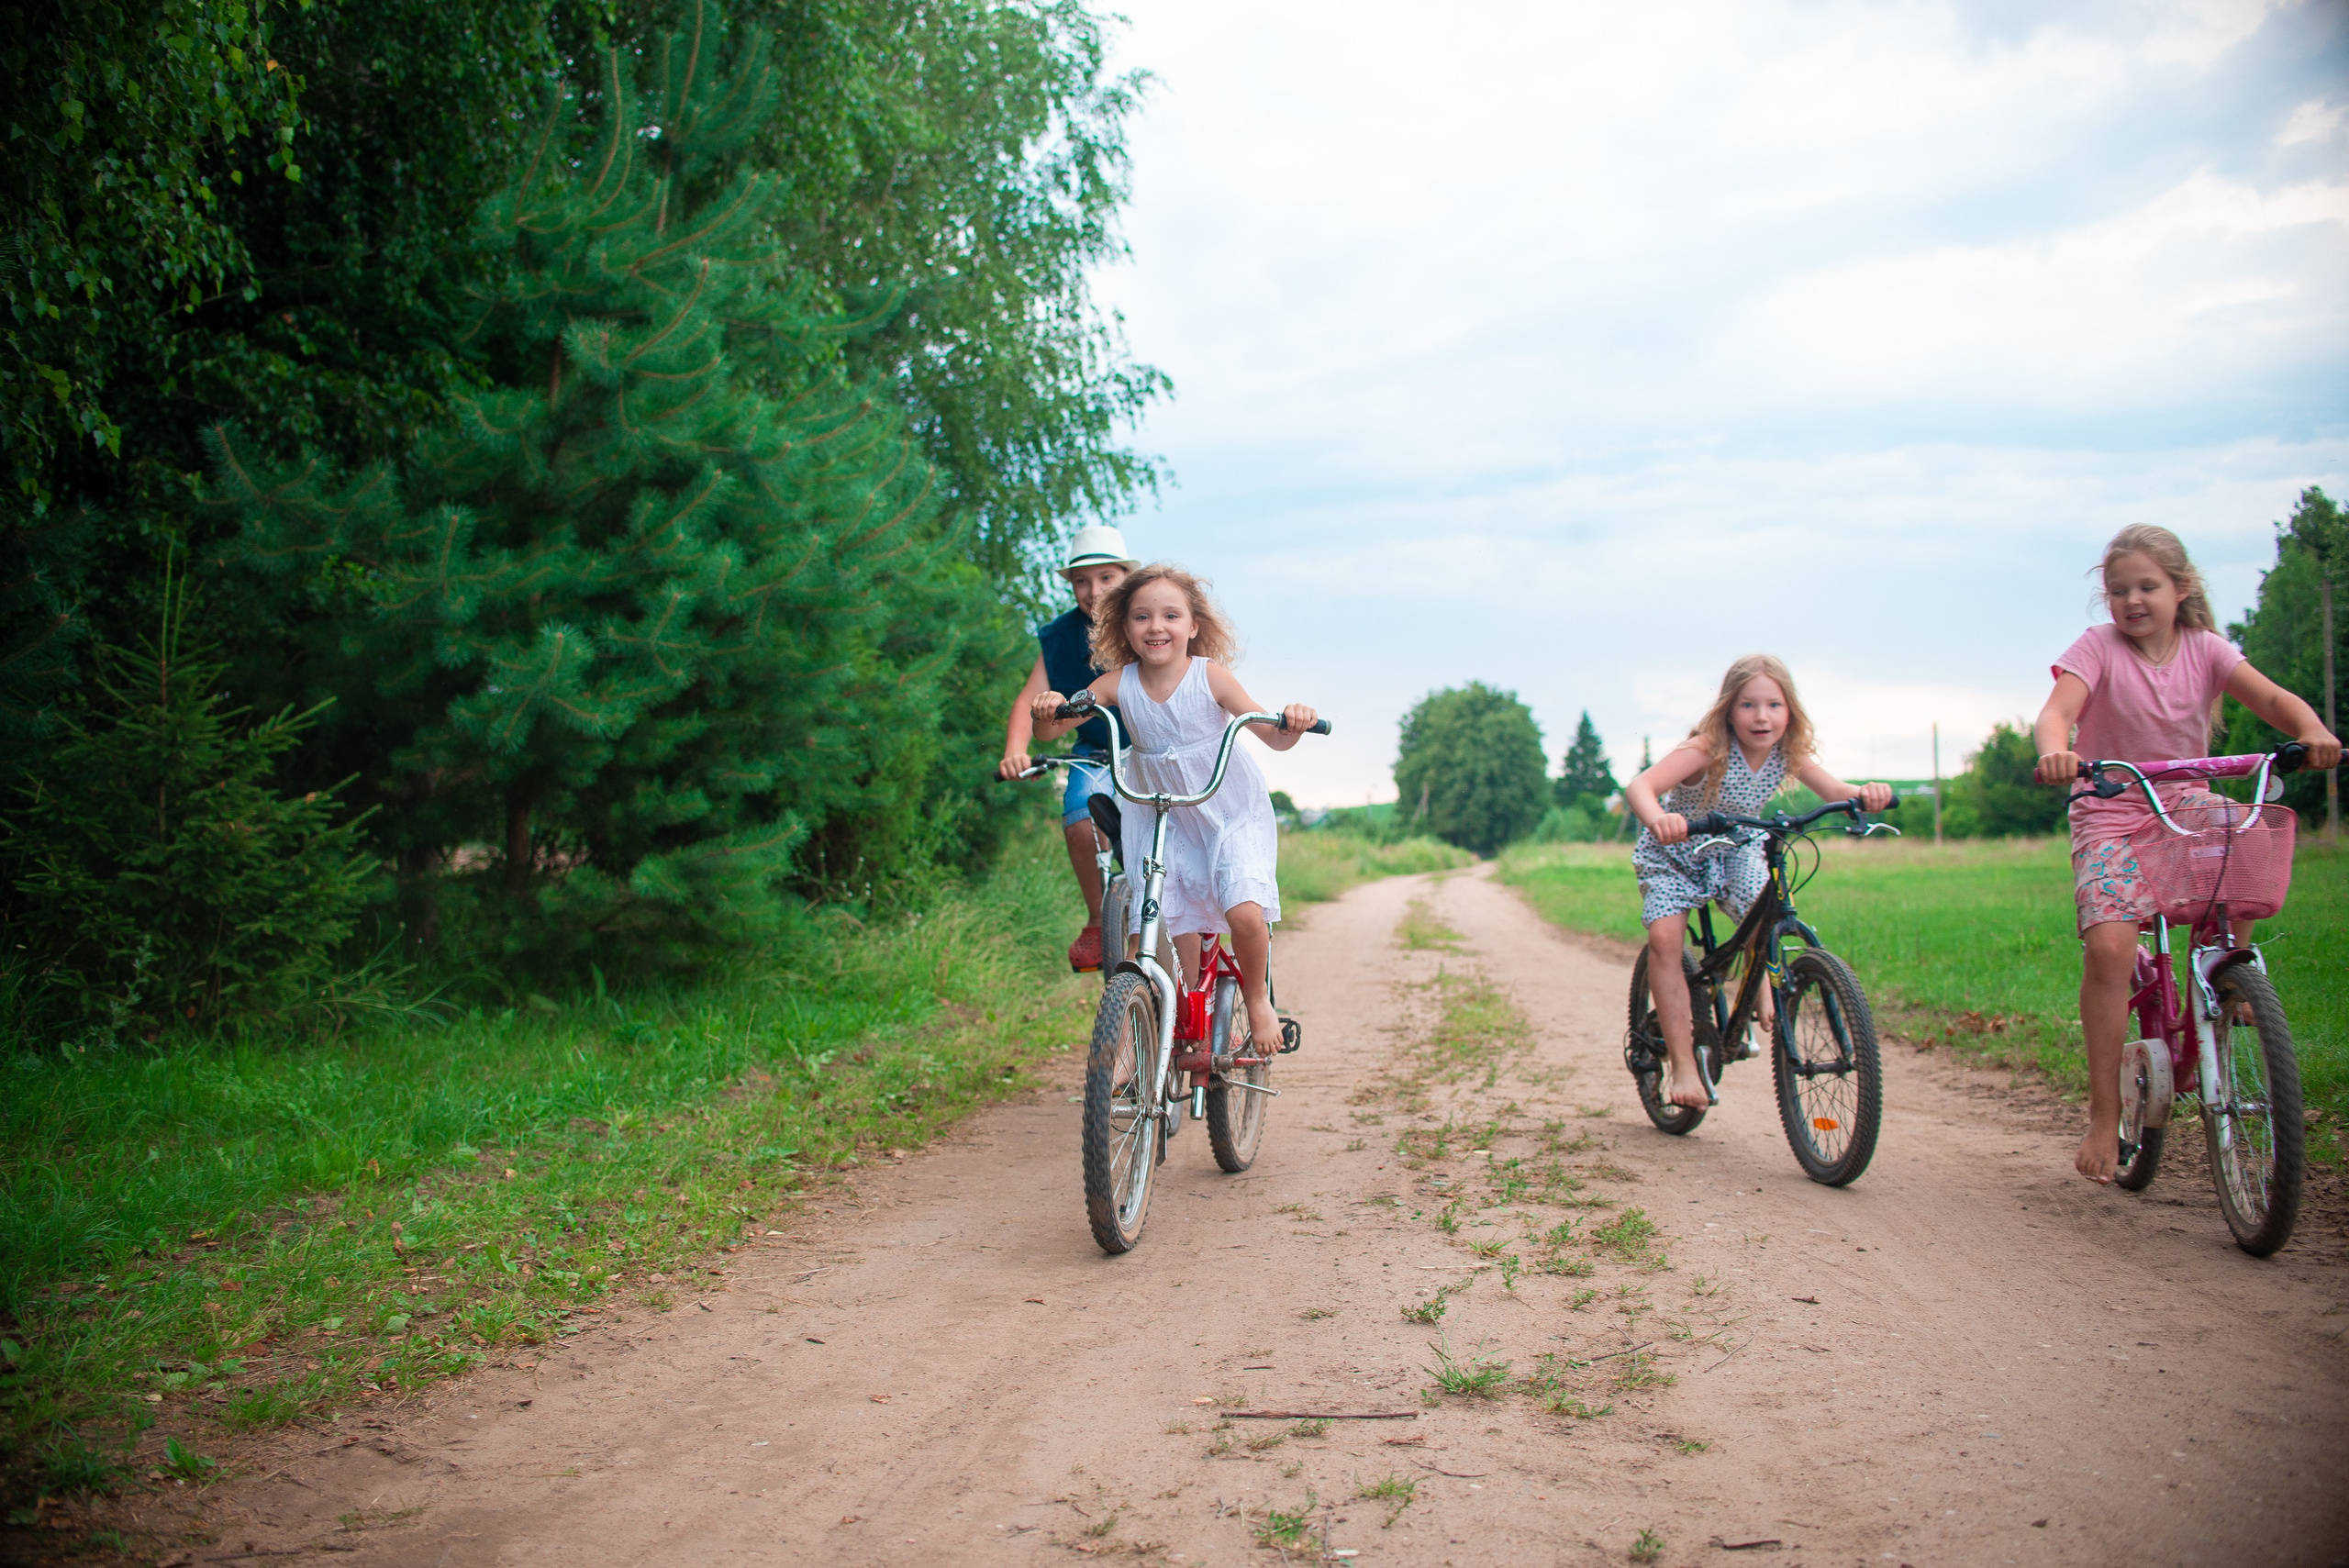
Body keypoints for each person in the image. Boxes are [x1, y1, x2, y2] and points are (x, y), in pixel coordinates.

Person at [2031, 524, 2339, 1185]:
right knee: (2112, 947)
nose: (2132, 600)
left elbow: (2274, 699)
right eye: (2118, 590)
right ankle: (2103, 1111)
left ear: (2182, 588)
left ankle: (2228, 964)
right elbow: (2056, 712)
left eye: (2147, 586)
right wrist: (2056, 749)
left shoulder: (2206, 649)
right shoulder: (2099, 647)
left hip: (2182, 798)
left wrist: (2311, 729)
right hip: (2111, 803)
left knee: (2248, 829)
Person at [1027, 563, 1315, 1055]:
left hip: (1225, 811)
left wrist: (1292, 722)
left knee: (1243, 909)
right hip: (1162, 816)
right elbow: (1055, 729)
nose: (1156, 626)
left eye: (1170, 616)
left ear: (1193, 626)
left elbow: (1270, 736)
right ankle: (1175, 1037)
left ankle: (1257, 997)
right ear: (1124, 627)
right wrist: (1048, 710)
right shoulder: (1117, 683)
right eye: (1141, 617)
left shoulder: (1212, 677)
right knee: (1170, 925)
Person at [1622, 654, 1894, 1109]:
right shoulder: (1706, 749)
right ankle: (1685, 1067)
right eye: (1748, 705)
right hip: (1676, 849)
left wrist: (1868, 795)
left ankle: (1761, 990)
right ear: (1729, 709)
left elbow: (1836, 792)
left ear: (1790, 711)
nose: (1762, 717)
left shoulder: (1787, 753)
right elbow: (1640, 787)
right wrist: (1660, 819)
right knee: (1666, 940)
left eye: (1774, 705)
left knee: (1764, 907)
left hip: (1736, 846)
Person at [997, 525, 1139, 973]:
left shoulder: (1148, 623)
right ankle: (1099, 918)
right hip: (1096, 753)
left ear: (1126, 579)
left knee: (1164, 843)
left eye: (1105, 579)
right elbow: (1029, 699)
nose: (1092, 591)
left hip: (1156, 755)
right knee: (1079, 817)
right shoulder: (1059, 636)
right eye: (1081, 580)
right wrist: (1015, 750)